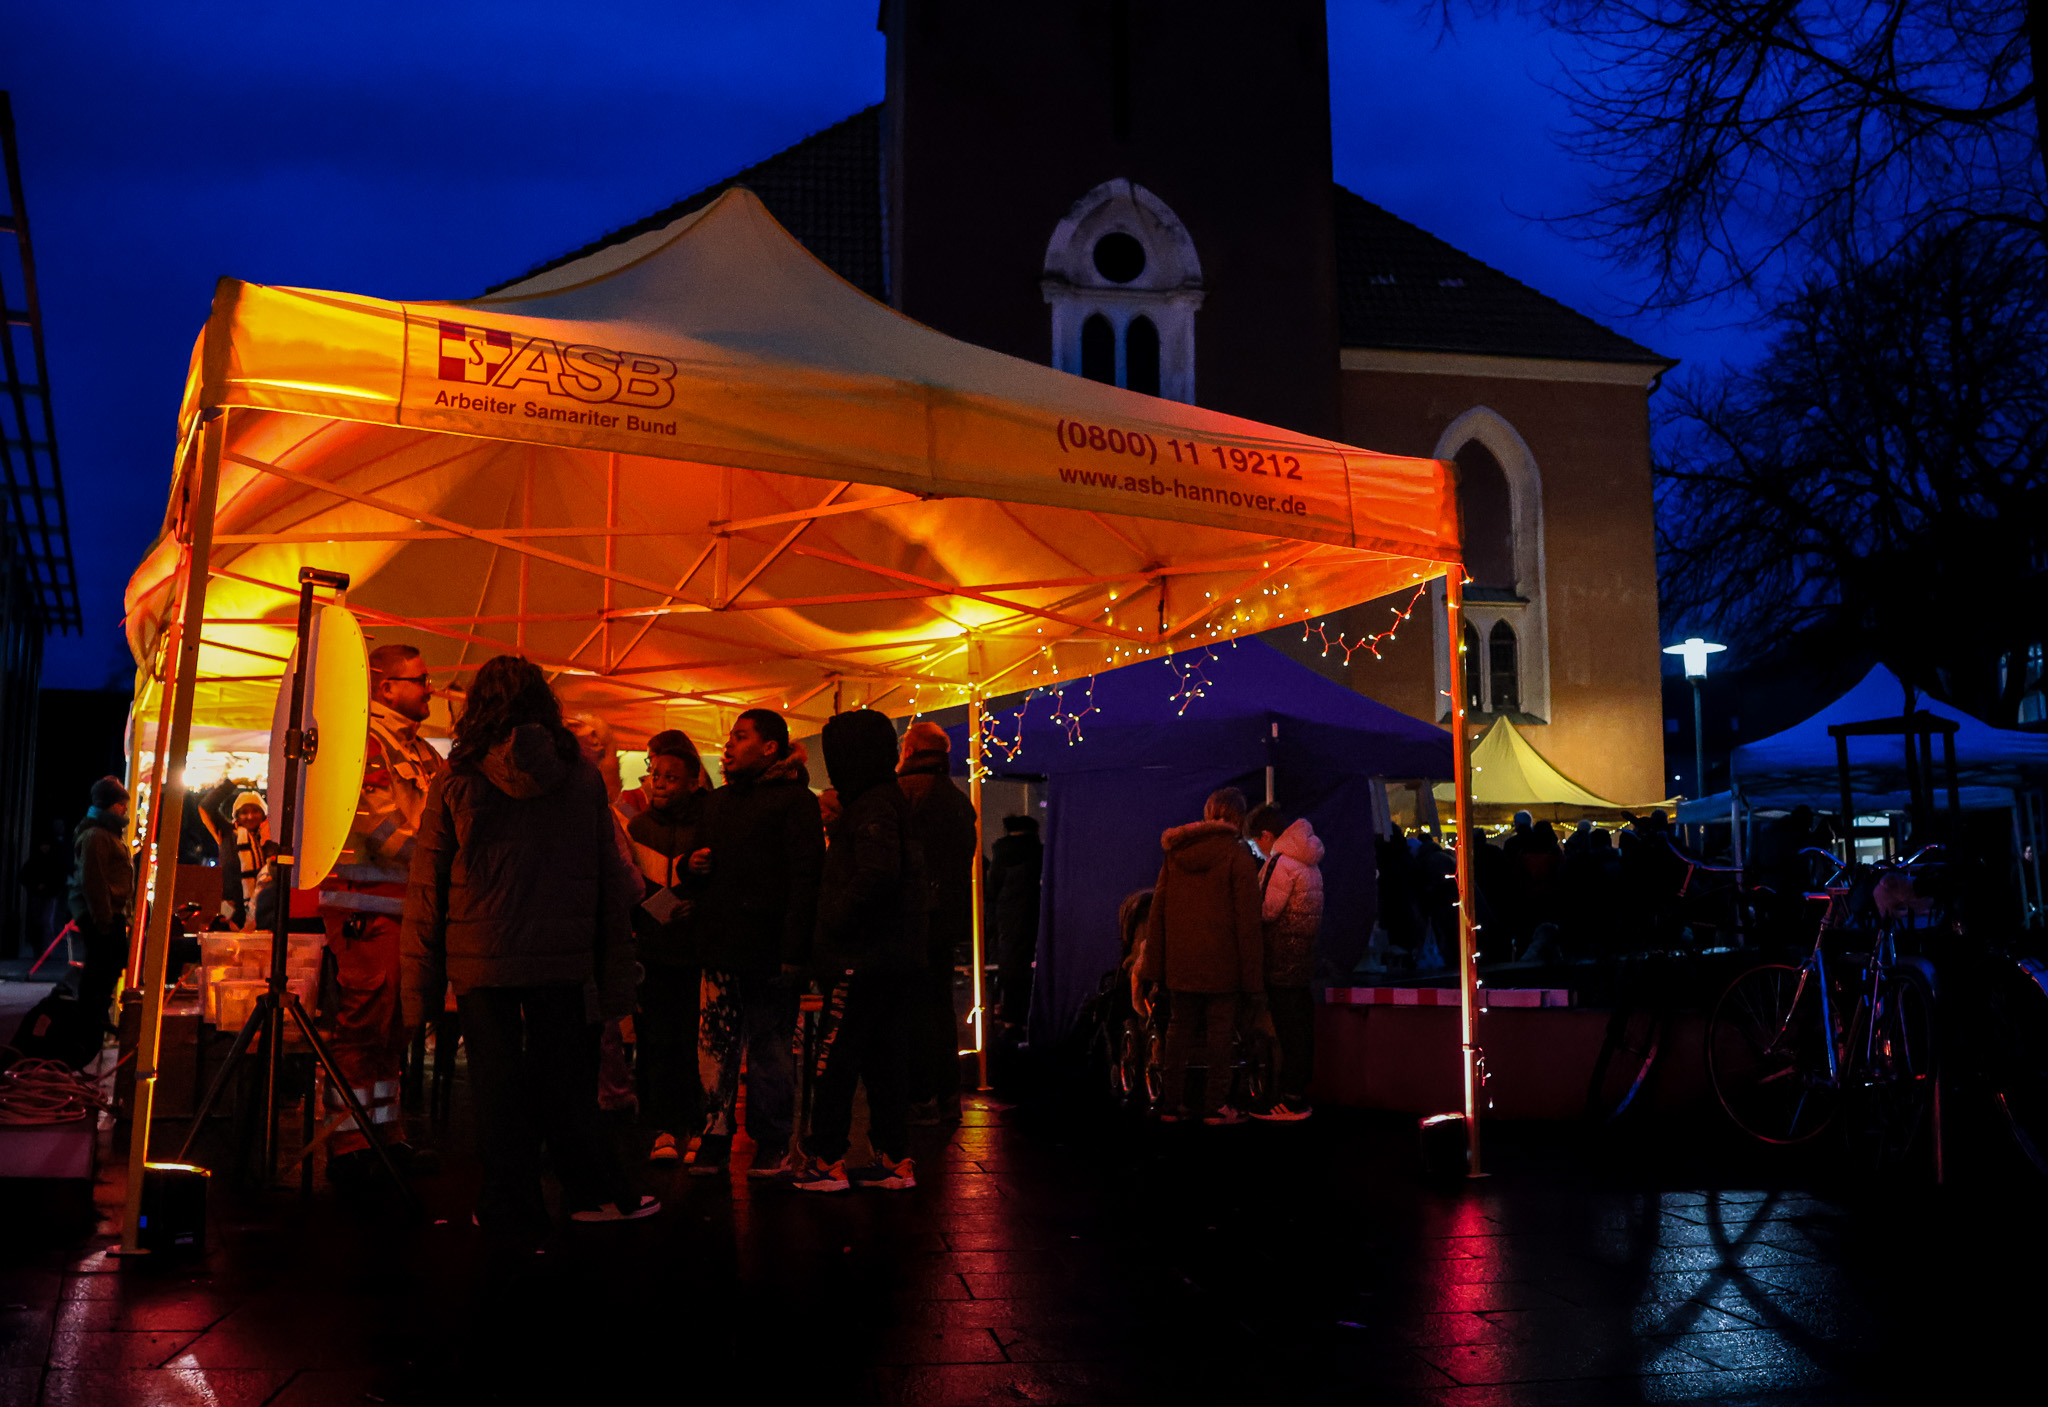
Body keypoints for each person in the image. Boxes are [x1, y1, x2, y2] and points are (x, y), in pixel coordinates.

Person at [401, 654, 655, 1233]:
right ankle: (588, 1193)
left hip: (480, 957)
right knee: (566, 1080)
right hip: (563, 955)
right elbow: (610, 878)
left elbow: (428, 884)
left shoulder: (457, 775)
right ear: (545, 702)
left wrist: (419, 991)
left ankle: (506, 1203)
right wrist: (617, 972)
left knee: (494, 1085)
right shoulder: (582, 777)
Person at [319, 643, 446, 1180]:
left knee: (392, 1031)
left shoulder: (418, 751)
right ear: (386, 687)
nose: (430, 688)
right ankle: (350, 1149)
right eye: (419, 679)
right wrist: (443, 861)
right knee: (363, 1029)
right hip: (368, 911)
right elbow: (378, 825)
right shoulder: (365, 744)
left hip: (399, 909)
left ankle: (383, 1136)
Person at [792, 709, 929, 1192]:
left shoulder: (870, 807)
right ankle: (894, 1158)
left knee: (836, 1057)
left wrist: (832, 920)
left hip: (858, 956)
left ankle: (825, 1158)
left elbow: (876, 876)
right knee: (885, 1058)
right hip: (890, 957)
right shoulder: (886, 802)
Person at [691, 708, 822, 1180]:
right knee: (717, 1047)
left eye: (740, 736)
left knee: (767, 1046)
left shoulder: (794, 802)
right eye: (730, 736)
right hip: (723, 943)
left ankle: (769, 1142)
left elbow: (805, 880)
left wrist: (793, 950)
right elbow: (701, 867)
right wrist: (693, 866)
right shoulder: (719, 802)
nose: (728, 744)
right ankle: (715, 1134)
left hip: (768, 947)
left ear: (770, 747)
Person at [1138, 788, 1263, 1124]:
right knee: (1221, 1035)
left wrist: (1155, 967)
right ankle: (1215, 1106)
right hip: (1224, 965)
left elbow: (1158, 912)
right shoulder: (1238, 857)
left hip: (1180, 964)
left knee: (1178, 1032)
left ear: (1209, 813)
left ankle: (1170, 1103)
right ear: (1238, 817)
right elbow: (1248, 923)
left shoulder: (1176, 854)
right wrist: (1253, 980)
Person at [625, 729, 710, 1163]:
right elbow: (636, 888)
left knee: (692, 1041)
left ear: (693, 781)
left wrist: (696, 901)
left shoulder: (708, 823)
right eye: (655, 774)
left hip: (696, 951)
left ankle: (695, 1121)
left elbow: (720, 882)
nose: (658, 782)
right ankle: (659, 1126)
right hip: (655, 951)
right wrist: (665, 908)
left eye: (670, 777)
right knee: (655, 1041)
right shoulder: (639, 827)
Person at [896, 720, 976, 1126]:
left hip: (911, 920)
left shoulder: (904, 796)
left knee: (911, 1011)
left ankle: (920, 1095)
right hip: (946, 920)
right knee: (940, 1008)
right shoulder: (959, 802)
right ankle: (947, 1094)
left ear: (908, 752)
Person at [566, 714, 638, 1118]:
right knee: (599, 1019)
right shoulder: (599, 812)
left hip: (570, 930)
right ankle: (607, 1095)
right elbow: (627, 878)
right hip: (592, 930)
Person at [1245, 804, 1322, 1121]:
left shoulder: (1282, 862)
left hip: (1280, 959)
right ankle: (1298, 1092)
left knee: (1289, 1031)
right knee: (1302, 1028)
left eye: (1255, 842)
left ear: (1265, 835)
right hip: (1302, 958)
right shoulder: (1308, 859)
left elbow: (1266, 911)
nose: (1257, 850)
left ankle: (1290, 1100)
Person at [66, 776, 133, 1025]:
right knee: (101, 966)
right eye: (121, 804)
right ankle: (89, 1021)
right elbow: (94, 880)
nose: (125, 809)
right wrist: (103, 918)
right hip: (100, 914)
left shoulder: (107, 832)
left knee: (109, 964)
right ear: (110, 804)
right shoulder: (97, 835)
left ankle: (95, 1017)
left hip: (106, 912)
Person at [989, 815, 1043, 1028]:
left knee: (1010, 965)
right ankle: (1031, 1012)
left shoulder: (1001, 853)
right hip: (1035, 915)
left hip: (1007, 918)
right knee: (1033, 965)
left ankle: (1011, 1013)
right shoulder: (1039, 854)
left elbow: (992, 889)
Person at [198, 781, 269, 928]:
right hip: (231, 909)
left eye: (255, 810)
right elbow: (206, 806)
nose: (250, 816)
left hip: (263, 910)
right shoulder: (226, 833)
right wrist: (234, 783)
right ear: (236, 816)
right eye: (244, 812)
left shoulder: (268, 838)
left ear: (263, 814)